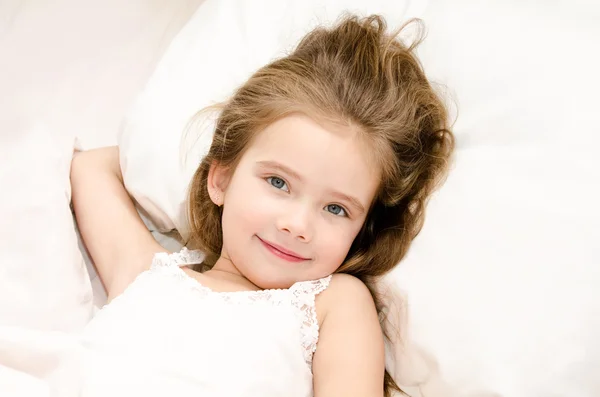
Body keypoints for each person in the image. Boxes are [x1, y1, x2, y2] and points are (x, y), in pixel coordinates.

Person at [71, 14, 454, 397]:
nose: (297, 224)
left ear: (362, 228)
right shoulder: (147, 273)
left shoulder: (333, 304)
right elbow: (92, 168)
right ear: (220, 178)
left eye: (336, 209)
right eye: (278, 182)